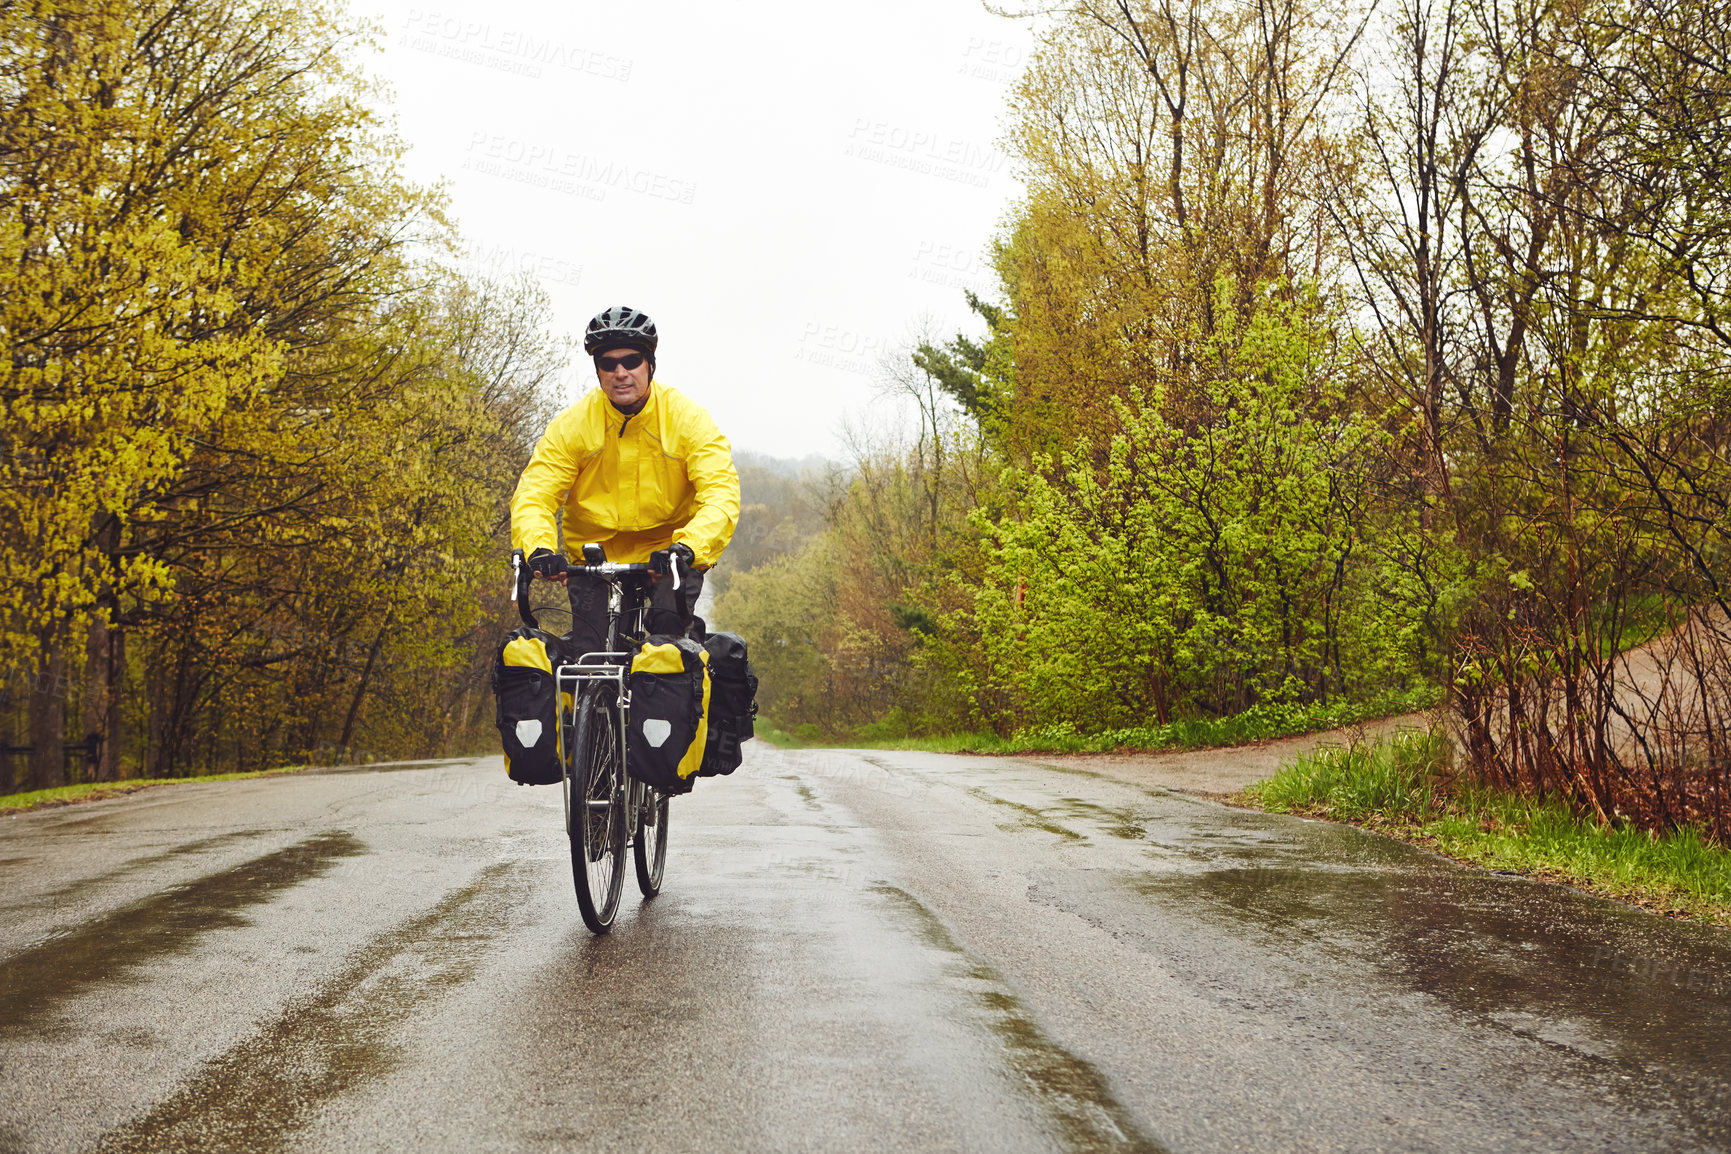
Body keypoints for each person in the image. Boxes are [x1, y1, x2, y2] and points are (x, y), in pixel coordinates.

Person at [510, 305, 739, 654]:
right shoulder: (573, 425)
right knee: (588, 656)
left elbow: (721, 494)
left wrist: (689, 547)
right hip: (594, 557)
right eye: (608, 363)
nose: (620, 372)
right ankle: (592, 704)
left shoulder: (687, 419)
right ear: (597, 370)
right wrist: (538, 547)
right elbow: (535, 492)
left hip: (669, 553)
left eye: (631, 361)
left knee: (667, 651)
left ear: (650, 364)